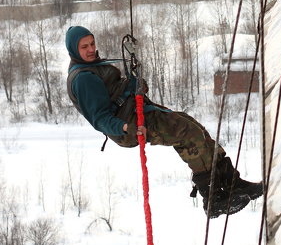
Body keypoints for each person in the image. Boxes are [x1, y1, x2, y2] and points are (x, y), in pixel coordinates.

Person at [65, 25, 263, 219]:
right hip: (130, 125)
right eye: (84, 47)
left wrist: (135, 83)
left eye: (92, 43)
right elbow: (99, 118)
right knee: (188, 134)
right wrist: (126, 128)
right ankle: (212, 198)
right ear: (74, 49)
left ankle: (231, 182)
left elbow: (115, 90)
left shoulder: (92, 67)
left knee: (194, 127)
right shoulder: (83, 79)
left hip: (135, 111)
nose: (91, 49)